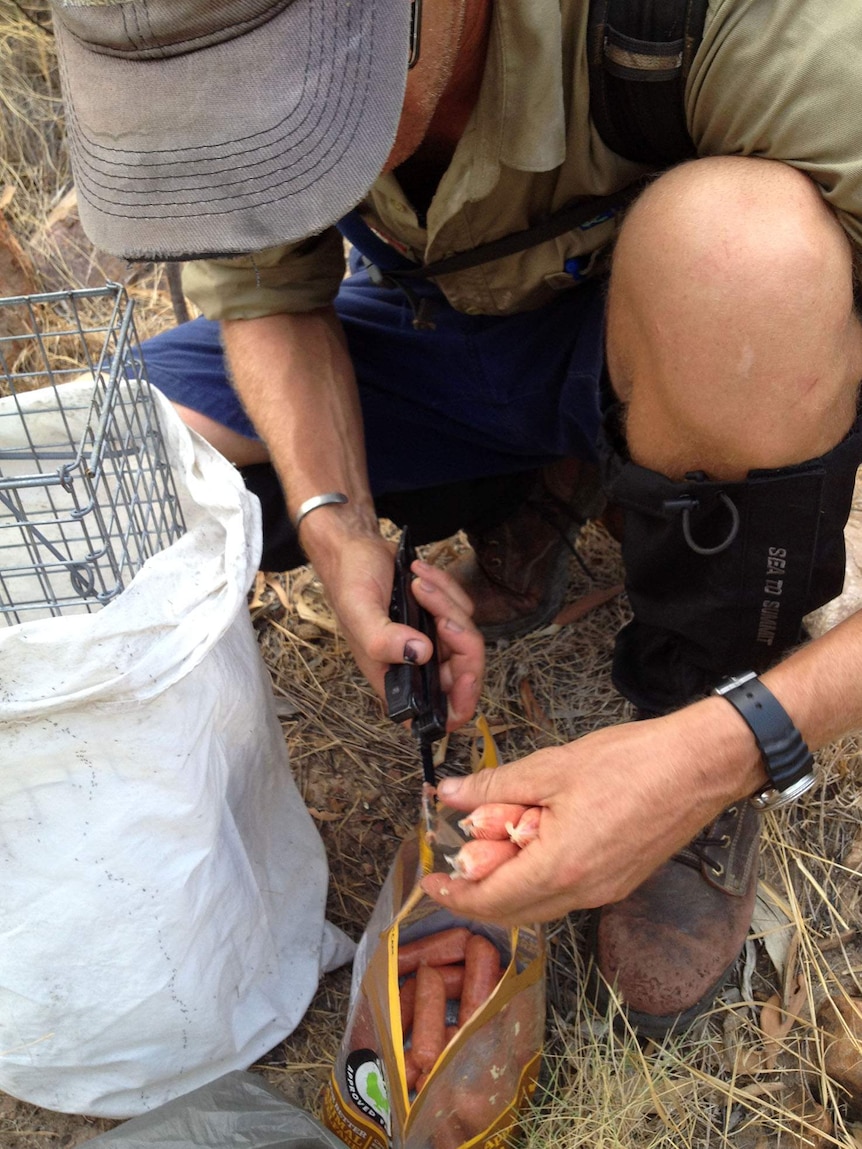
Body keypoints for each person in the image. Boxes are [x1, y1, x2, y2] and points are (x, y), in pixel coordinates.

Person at [49, 0, 862, 1039]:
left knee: (742, 251)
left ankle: (692, 686)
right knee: (110, 448)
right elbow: (264, 293)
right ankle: (550, 485)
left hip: (683, 331)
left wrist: (720, 751)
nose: (247, 169)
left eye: (284, 121)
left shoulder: (772, 30)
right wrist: (334, 518)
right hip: (444, 332)